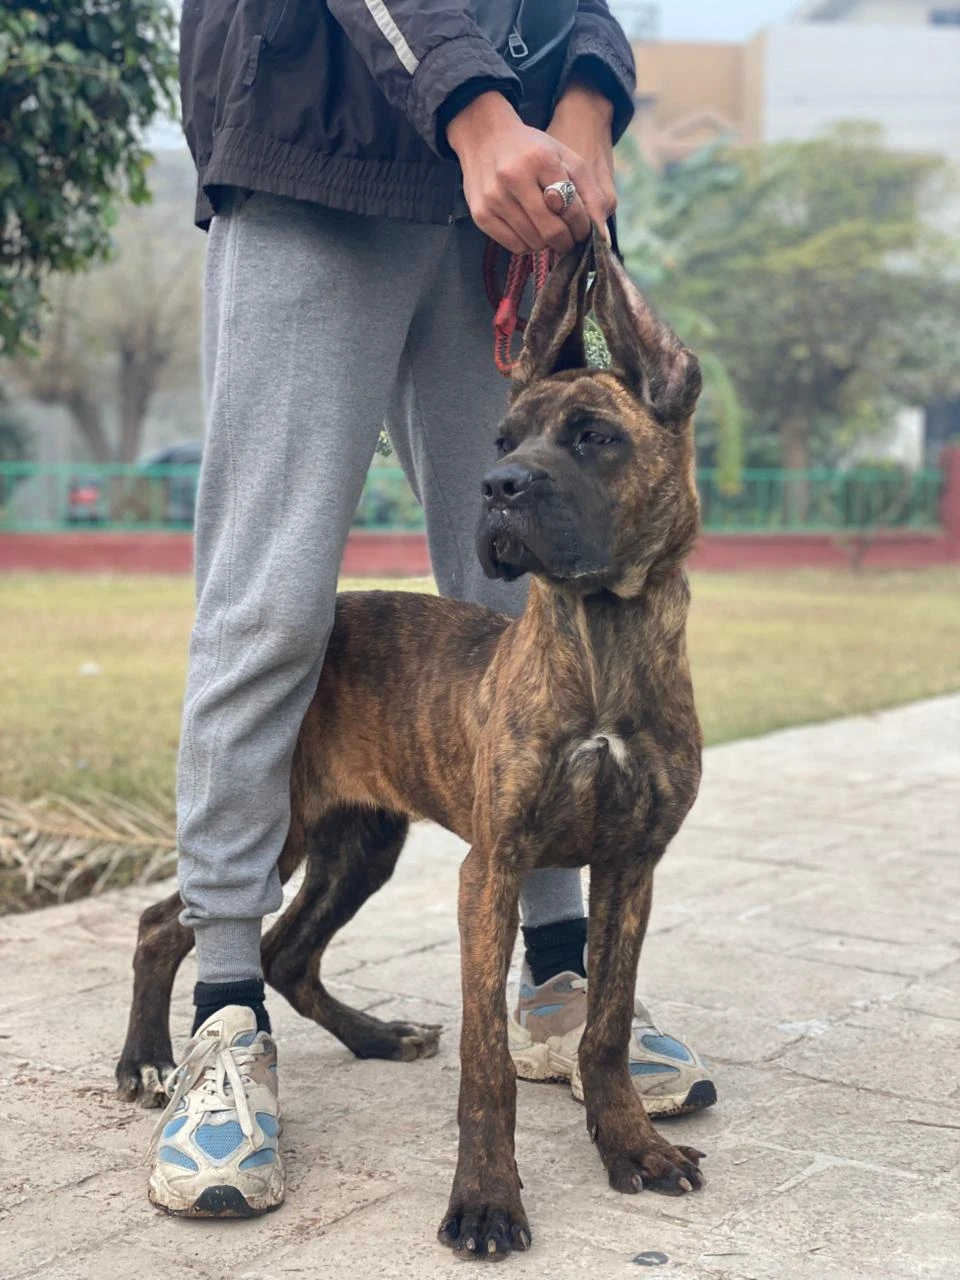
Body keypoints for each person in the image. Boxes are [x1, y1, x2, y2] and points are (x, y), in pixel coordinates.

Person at [150, 0, 716, 1218]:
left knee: (520, 594)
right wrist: (474, 109)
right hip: (324, 149)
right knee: (272, 604)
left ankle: (559, 981)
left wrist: (584, 104)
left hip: (505, 193)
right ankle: (229, 1007)